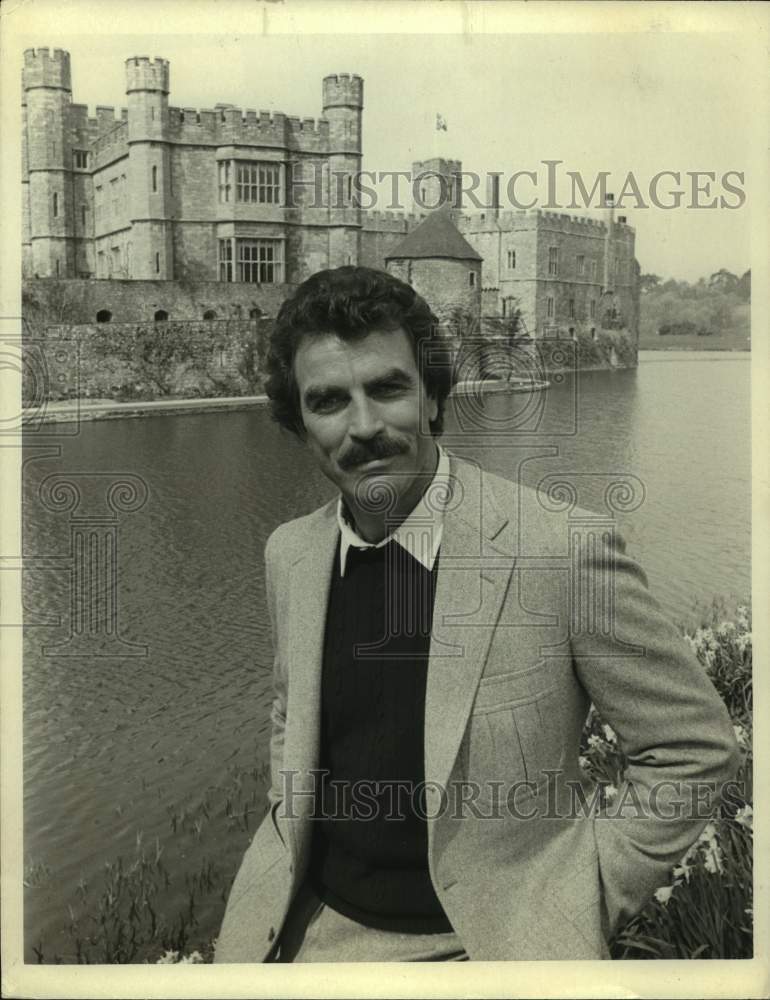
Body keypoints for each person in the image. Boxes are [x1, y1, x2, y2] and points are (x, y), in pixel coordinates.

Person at [215, 266, 739, 963]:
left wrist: (574, 901)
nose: (364, 425)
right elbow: (290, 714)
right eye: (330, 401)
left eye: (389, 388)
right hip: (297, 934)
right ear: (300, 426)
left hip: (484, 949)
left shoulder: (559, 550)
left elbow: (691, 748)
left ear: (432, 396)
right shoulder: (292, 554)